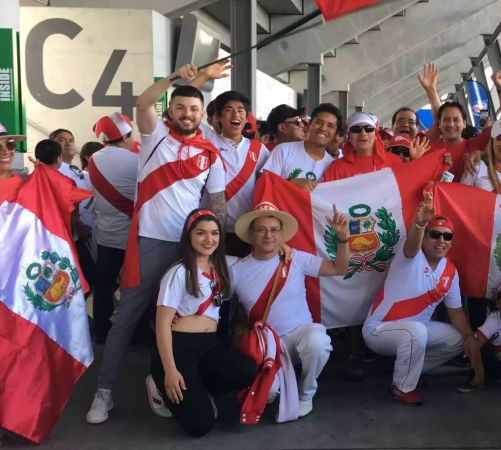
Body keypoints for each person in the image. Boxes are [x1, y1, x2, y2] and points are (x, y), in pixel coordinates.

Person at [86, 63, 227, 424]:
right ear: (169, 112)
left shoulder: (211, 154)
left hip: (190, 248)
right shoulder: (154, 138)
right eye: (179, 108)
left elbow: (216, 207)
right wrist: (175, 78)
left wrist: (215, 248)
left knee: (185, 317)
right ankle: (104, 392)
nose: (187, 114)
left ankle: (164, 378)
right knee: (126, 318)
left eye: (194, 109)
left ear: (202, 115)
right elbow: (143, 100)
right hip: (149, 241)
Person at [231, 203, 350, 418]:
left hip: (299, 335)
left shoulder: (295, 259)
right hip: (267, 344)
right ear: (251, 234)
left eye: (274, 230)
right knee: (266, 396)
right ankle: (277, 382)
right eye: (261, 229)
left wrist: (342, 238)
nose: (268, 235)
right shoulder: (236, 270)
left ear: (281, 234)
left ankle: (306, 393)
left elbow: (339, 268)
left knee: (318, 341)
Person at [363, 193, 478, 405]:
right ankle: (401, 387)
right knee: (416, 332)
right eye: (434, 234)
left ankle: (412, 370)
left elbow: (455, 312)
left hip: (416, 331)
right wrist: (419, 224)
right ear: (425, 237)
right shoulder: (410, 257)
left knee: (458, 339)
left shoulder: (450, 272)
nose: (441, 240)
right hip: (379, 330)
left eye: (447, 236)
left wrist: (470, 335)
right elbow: (412, 244)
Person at [152, 209, 256, 437]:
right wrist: (170, 370)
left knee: (246, 369)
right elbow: (162, 325)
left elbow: (259, 257)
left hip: (209, 345)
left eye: (214, 233)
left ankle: (198, 388)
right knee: (200, 426)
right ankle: (158, 384)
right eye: (201, 233)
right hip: (179, 349)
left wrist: (282, 248)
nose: (209, 239)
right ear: (189, 236)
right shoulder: (179, 272)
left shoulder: (223, 266)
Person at [195, 84, 271, 257]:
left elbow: (271, 183)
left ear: (246, 118)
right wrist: (203, 79)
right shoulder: (207, 140)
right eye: (228, 110)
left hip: (247, 230)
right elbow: (188, 115)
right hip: (212, 230)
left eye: (241, 110)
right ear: (219, 118)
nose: (236, 114)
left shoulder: (258, 149)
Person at [87, 112, 140, 343]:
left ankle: (100, 328)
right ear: (126, 135)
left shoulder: (94, 159)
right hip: (134, 235)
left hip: (106, 235)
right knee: (136, 286)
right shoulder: (137, 159)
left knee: (105, 284)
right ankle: (136, 331)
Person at [420, 63, 501, 178]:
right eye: (446, 119)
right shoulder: (430, 151)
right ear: (439, 124)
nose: (451, 124)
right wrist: (431, 90)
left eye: (456, 120)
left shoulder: (476, 144)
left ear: (464, 123)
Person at [51, 128, 97, 294]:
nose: (69, 143)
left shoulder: (73, 169)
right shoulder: (54, 171)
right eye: (62, 140)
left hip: (83, 233)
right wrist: (78, 224)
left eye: (71, 139)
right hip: (70, 235)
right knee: (85, 281)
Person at [263, 103, 343, 190]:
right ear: (309, 125)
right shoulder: (283, 150)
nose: (323, 128)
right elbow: (263, 184)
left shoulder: (333, 165)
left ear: (336, 134)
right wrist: (290, 182)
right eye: (319, 122)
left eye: (330, 126)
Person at [322, 112, 404, 181]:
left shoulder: (395, 162)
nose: (363, 133)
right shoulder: (337, 167)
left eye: (369, 128)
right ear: (349, 137)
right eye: (356, 129)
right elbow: (322, 195)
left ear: (376, 135)